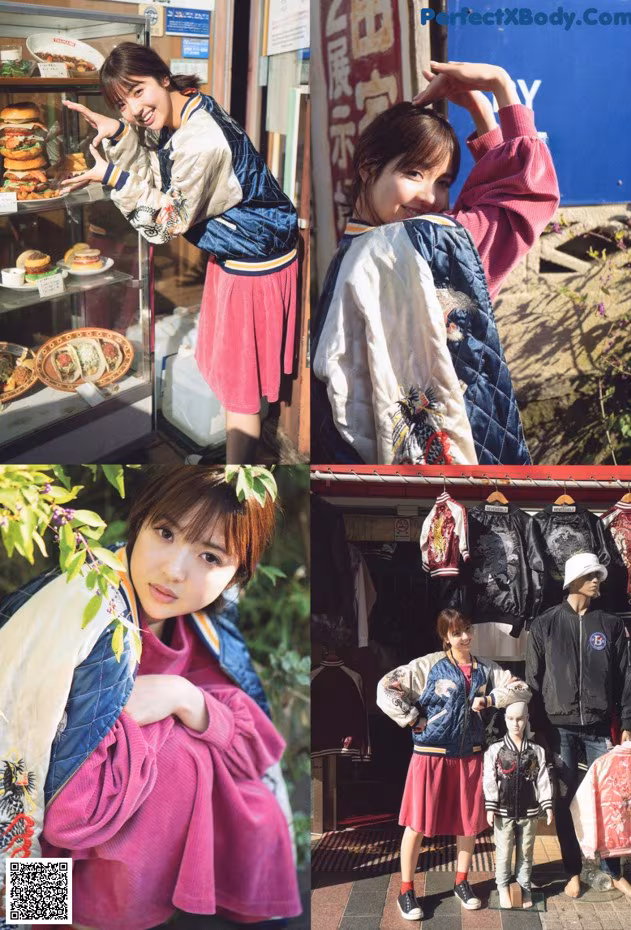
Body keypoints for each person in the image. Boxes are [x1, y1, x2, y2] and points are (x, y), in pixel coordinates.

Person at [0, 466, 301, 929]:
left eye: (209, 557)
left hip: (143, 884)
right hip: (72, 875)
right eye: (165, 532)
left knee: (257, 810)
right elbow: (37, 786)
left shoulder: (203, 624)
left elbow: (252, 748)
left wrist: (183, 698)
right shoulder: (85, 609)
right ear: (138, 521)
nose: (173, 571)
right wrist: (35, 917)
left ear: (236, 576)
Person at [312, 60, 560, 466]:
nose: (430, 198)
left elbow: (472, 217)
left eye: (443, 182)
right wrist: (499, 89)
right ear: (369, 169)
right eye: (413, 173)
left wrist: (481, 110)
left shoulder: (356, 249)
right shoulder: (414, 247)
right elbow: (526, 196)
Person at [61, 43, 299, 465]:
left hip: (253, 264)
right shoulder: (185, 108)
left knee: (238, 382)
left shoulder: (202, 140)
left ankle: (234, 478)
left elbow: (165, 223)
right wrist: (119, 134)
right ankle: (235, 458)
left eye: (137, 91)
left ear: (164, 77)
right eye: (121, 102)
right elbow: (155, 173)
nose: (133, 109)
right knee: (234, 373)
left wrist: (111, 175)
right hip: (238, 255)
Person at [377, 608, 531, 921]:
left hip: (470, 755)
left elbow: (522, 689)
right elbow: (385, 687)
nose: (465, 636)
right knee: (417, 824)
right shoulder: (427, 665)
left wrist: (490, 700)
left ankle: (462, 881)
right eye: (457, 631)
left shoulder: (486, 669)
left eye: (467, 630)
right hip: (430, 755)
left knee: (468, 823)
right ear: (445, 636)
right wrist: (412, 718)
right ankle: (406, 890)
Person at [525, 551, 631, 900]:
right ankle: (572, 870)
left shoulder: (610, 624)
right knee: (564, 800)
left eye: (598, 576)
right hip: (559, 732)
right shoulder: (544, 624)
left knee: (608, 801)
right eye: (591, 575)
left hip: (599, 728)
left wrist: (628, 723)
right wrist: (538, 729)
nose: (597, 581)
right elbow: (532, 680)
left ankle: (613, 871)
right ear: (574, 581)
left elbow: (626, 680)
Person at [483, 700, 553, 909]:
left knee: (526, 849)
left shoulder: (536, 751)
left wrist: (547, 805)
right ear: (505, 719)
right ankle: (502, 885)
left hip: (529, 809)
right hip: (503, 810)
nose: (516, 724)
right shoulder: (495, 750)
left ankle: (524, 885)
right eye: (511, 719)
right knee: (504, 849)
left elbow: (542, 779)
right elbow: (489, 778)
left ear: (527, 719)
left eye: (520, 719)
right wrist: (490, 806)